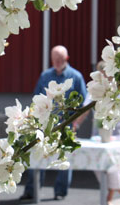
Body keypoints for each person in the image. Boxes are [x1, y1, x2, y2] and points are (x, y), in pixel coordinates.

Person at [20, 45, 87, 202]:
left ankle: (60, 192)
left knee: (64, 158)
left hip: (67, 123)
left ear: (66, 59)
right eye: (54, 59)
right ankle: (32, 189)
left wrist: (76, 123)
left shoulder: (75, 77)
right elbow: (36, 100)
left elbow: (84, 103)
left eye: (60, 59)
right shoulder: (45, 75)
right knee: (38, 154)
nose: (57, 62)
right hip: (45, 123)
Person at [72, 61, 120, 205]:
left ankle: (107, 199)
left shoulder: (118, 88)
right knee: (98, 165)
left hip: (116, 131)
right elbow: (86, 110)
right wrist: (75, 125)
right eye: (99, 74)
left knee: (112, 166)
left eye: (104, 73)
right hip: (100, 132)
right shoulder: (94, 90)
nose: (102, 76)